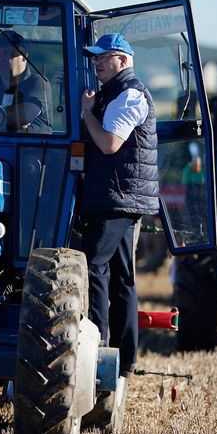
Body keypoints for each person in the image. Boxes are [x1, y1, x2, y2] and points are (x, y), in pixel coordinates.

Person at [78, 33, 159, 380]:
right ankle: (125, 359)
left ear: (123, 61)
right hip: (123, 196)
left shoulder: (130, 95)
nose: (97, 63)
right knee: (122, 278)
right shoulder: (117, 93)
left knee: (93, 265)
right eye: (95, 58)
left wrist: (86, 113)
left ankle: (98, 349)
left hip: (117, 197)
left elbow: (109, 144)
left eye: (104, 57)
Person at [0, 31, 52, 134]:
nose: (0, 58)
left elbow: (22, 117)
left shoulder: (38, 82)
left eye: (7, 53)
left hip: (30, 148)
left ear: (24, 55)